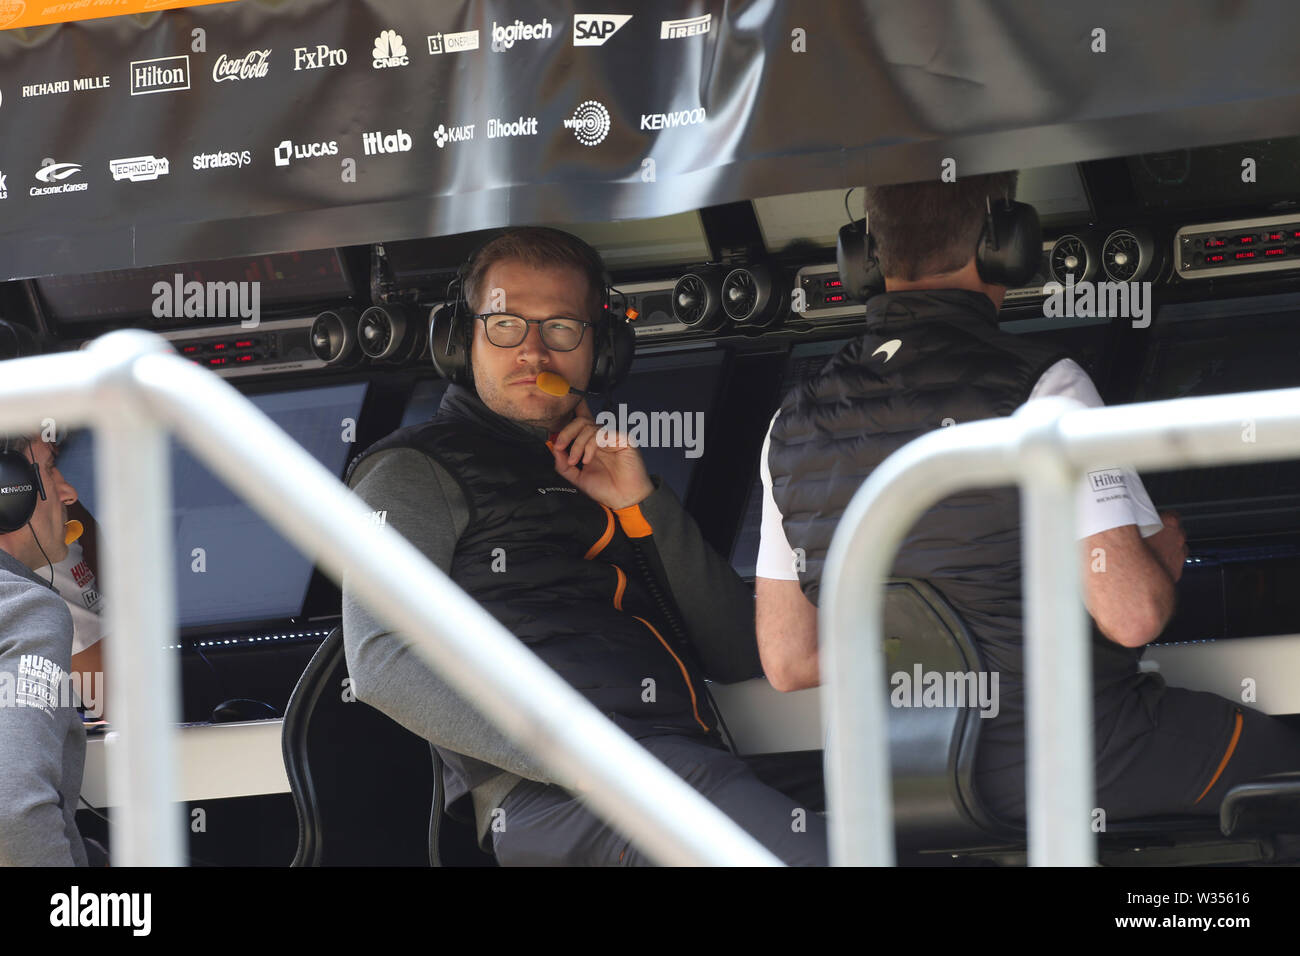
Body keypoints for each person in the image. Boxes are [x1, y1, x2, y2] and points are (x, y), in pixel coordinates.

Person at [757, 172, 1300, 825]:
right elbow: (1133, 617)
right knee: (1275, 760)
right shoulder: (1045, 388)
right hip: (1072, 761)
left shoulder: (787, 424)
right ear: (1003, 242)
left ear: (863, 254)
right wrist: (1157, 559)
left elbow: (789, 662)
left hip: (886, 786)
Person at [342, 227, 827, 866]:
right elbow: (379, 659)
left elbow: (739, 650)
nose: (533, 355)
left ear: (601, 351)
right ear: (463, 340)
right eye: (507, 325)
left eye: (562, 329)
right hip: (553, 798)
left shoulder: (601, 469)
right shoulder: (410, 470)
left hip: (681, 762)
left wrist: (640, 502)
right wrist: (579, 754)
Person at [0, 433, 89, 866]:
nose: (68, 491)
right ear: (7, 486)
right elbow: (12, 812)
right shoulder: (25, 608)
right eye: (51, 469)